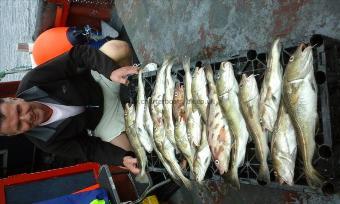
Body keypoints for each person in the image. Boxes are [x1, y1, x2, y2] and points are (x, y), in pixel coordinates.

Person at [0, 39, 141, 175]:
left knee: (117, 49)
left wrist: (110, 71)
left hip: (100, 82)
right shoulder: (45, 142)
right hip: (102, 121)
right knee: (130, 158)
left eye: (19, 110)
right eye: (19, 124)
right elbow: (88, 149)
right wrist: (121, 159)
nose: (27, 117)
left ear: (14, 99)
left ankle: (132, 78)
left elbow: (77, 56)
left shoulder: (33, 80)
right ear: (16, 133)